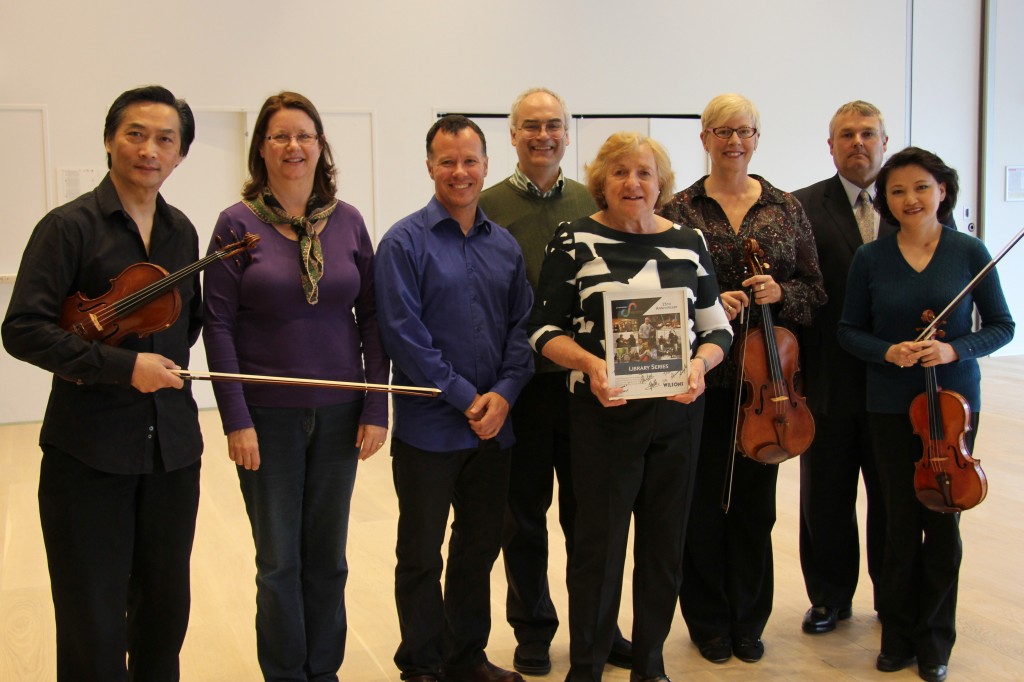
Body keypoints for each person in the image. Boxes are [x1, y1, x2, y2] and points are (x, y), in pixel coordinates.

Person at [2, 85, 201, 681]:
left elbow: (181, 330)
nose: (149, 150)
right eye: (135, 134)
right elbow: (23, 330)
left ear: (180, 155)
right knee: (93, 623)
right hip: (88, 454)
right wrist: (122, 368)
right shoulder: (68, 227)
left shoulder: (181, 233)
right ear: (110, 140)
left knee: (165, 617)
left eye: (165, 139)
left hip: (171, 454)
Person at [529, 131, 733, 682]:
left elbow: (717, 329)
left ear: (661, 183)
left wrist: (700, 365)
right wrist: (591, 365)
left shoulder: (690, 241)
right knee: (598, 547)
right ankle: (588, 666)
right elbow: (543, 329)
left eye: (644, 172)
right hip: (602, 414)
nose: (632, 183)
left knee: (664, 546)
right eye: (619, 172)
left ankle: (650, 663)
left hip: (678, 414)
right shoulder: (573, 238)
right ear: (601, 182)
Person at [202, 91, 389, 681]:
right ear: (262, 147)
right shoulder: (237, 224)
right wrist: (236, 418)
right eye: (280, 135)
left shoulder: (350, 221)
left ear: (320, 145)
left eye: (304, 135)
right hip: (268, 418)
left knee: (328, 560)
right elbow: (218, 322)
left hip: (340, 415)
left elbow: (374, 318)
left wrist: (376, 404)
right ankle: (285, 673)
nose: (293, 146)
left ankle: (324, 670)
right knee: (279, 560)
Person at [657, 93, 825, 665]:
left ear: (757, 138)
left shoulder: (784, 208)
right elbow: (657, 296)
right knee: (701, 505)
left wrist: (783, 292)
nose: (734, 141)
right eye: (722, 131)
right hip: (702, 380)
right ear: (704, 137)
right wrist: (705, 304)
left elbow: (815, 289)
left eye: (744, 131)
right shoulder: (678, 210)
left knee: (756, 508)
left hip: (769, 387)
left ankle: (748, 619)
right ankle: (706, 621)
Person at [838, 147, 1013, 682]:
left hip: (953, 405)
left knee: (942, 521)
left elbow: (1002, 325)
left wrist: (955, 350)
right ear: (886, 201)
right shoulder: (871, 257)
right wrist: (888, 351)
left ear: (942, 190)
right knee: (895, 520)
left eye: (920, 187)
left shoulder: (969, 251)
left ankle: (935, 639)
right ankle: (896, 633)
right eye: (897, 191)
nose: (909, 199)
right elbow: (849, 330)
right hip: (890, 404)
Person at [374, 115, 534, 682]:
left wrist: (505, 395)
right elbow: (403, 335)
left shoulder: (506, 247)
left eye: (470, 161)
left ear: (487, 166)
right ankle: (421, 662)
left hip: (495, 430)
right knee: (420, 553)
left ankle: (466, 658)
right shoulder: (402, 242)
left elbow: (523, 329)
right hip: (429, 429)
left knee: (479, 549)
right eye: (448, 161)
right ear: (429, 167)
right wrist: (470, 399)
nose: (460, 172)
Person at [477, 86, 631, 676]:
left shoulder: (593, 200)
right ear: (512, 135)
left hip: (590, 384)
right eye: (531, 125)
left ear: (569, 134)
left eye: (554, 125)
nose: (543, 135)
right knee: (525, 513)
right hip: (522, 384)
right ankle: (534, 627)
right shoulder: (485, 204)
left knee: (595, 515)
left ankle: (599, 625)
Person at [792, 100, 894, 634]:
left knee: (891, 496)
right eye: (847, 135)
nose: (859, 143)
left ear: (885, 142)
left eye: (868, 134)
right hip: (827, 377)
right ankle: (829, 597)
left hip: (895, 383)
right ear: (829, 146)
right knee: (826, 496)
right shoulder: (803, 205)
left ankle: (892, 595)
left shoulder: (910, 200)